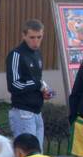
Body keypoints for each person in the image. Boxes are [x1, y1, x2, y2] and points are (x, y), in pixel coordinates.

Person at [6, 19, 53, 149]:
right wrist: (38, 85)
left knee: (37, 154)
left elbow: (36, 79)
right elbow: (14, 85)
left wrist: (44, 90)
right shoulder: (16, 54)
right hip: (22, 112)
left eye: (39, 37)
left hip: (37, 111)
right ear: (24, 35)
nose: (36, 41)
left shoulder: (37, 53)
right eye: (32, 37)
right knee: (27, 153)